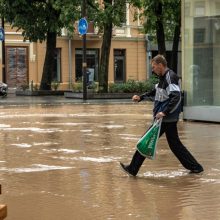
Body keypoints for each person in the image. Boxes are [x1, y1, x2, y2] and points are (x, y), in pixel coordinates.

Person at [120, 54, 204, 176]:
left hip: (164, 118)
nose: (153, 70)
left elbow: (176, 97)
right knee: (175, 145)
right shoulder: (163, 77)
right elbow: (156, 91)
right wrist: (141, 97)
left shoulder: (170, 77)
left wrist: (164, 112)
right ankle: (196, 167)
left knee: (145, 140)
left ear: (160, 65)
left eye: (154, 67)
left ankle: (133, 169)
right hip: (165, 118)